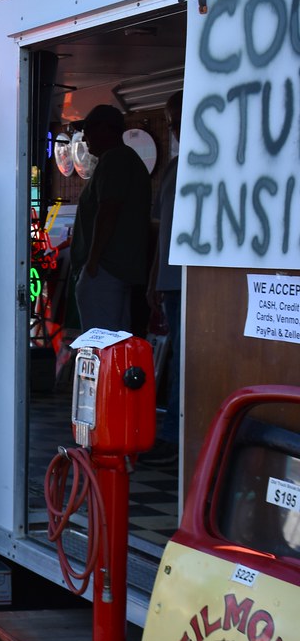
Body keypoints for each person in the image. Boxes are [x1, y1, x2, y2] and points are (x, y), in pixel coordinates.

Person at [69, 104, 151, 333]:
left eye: (88, 129)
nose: (84, 137)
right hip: (117, 269)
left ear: (106, 129)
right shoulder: (127, 159)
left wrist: (92, 262)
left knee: (100, 339)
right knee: (115, 338)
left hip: (106, 269)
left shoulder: (115, 159)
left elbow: (108, 210)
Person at [143, 90, 184, 470]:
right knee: (176, 359)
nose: (176, 129)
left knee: (185, 361)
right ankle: (171, 433)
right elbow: (162, 231)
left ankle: (175, 435)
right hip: (171, 280)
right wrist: (155, 278)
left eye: (180, 120)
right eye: (172, 123)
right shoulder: (172, 168)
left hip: (197, 283)